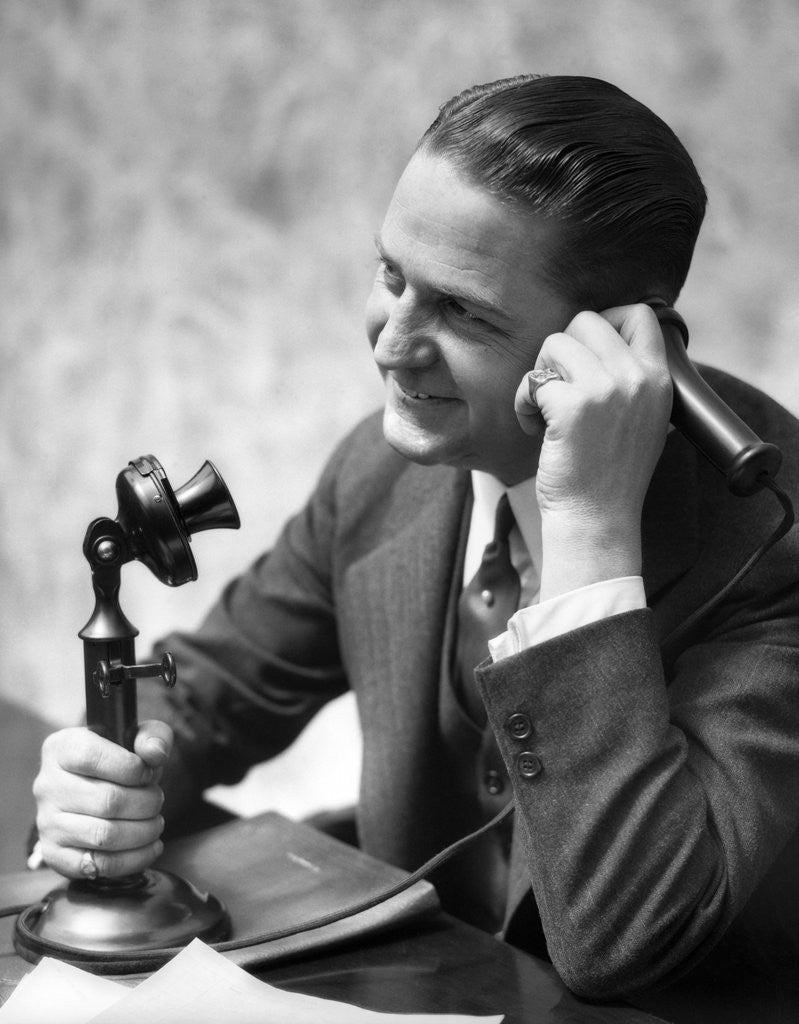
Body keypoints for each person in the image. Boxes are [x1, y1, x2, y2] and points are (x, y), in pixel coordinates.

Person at [31, 75, 799, 1007]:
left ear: (615, 346)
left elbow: (625, 937)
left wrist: (589, 528)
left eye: (464, 312)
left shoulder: (773, 545)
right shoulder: (380, 470)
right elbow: (210, 695)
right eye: (392, 276)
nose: (392, 346)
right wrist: (105, 775)